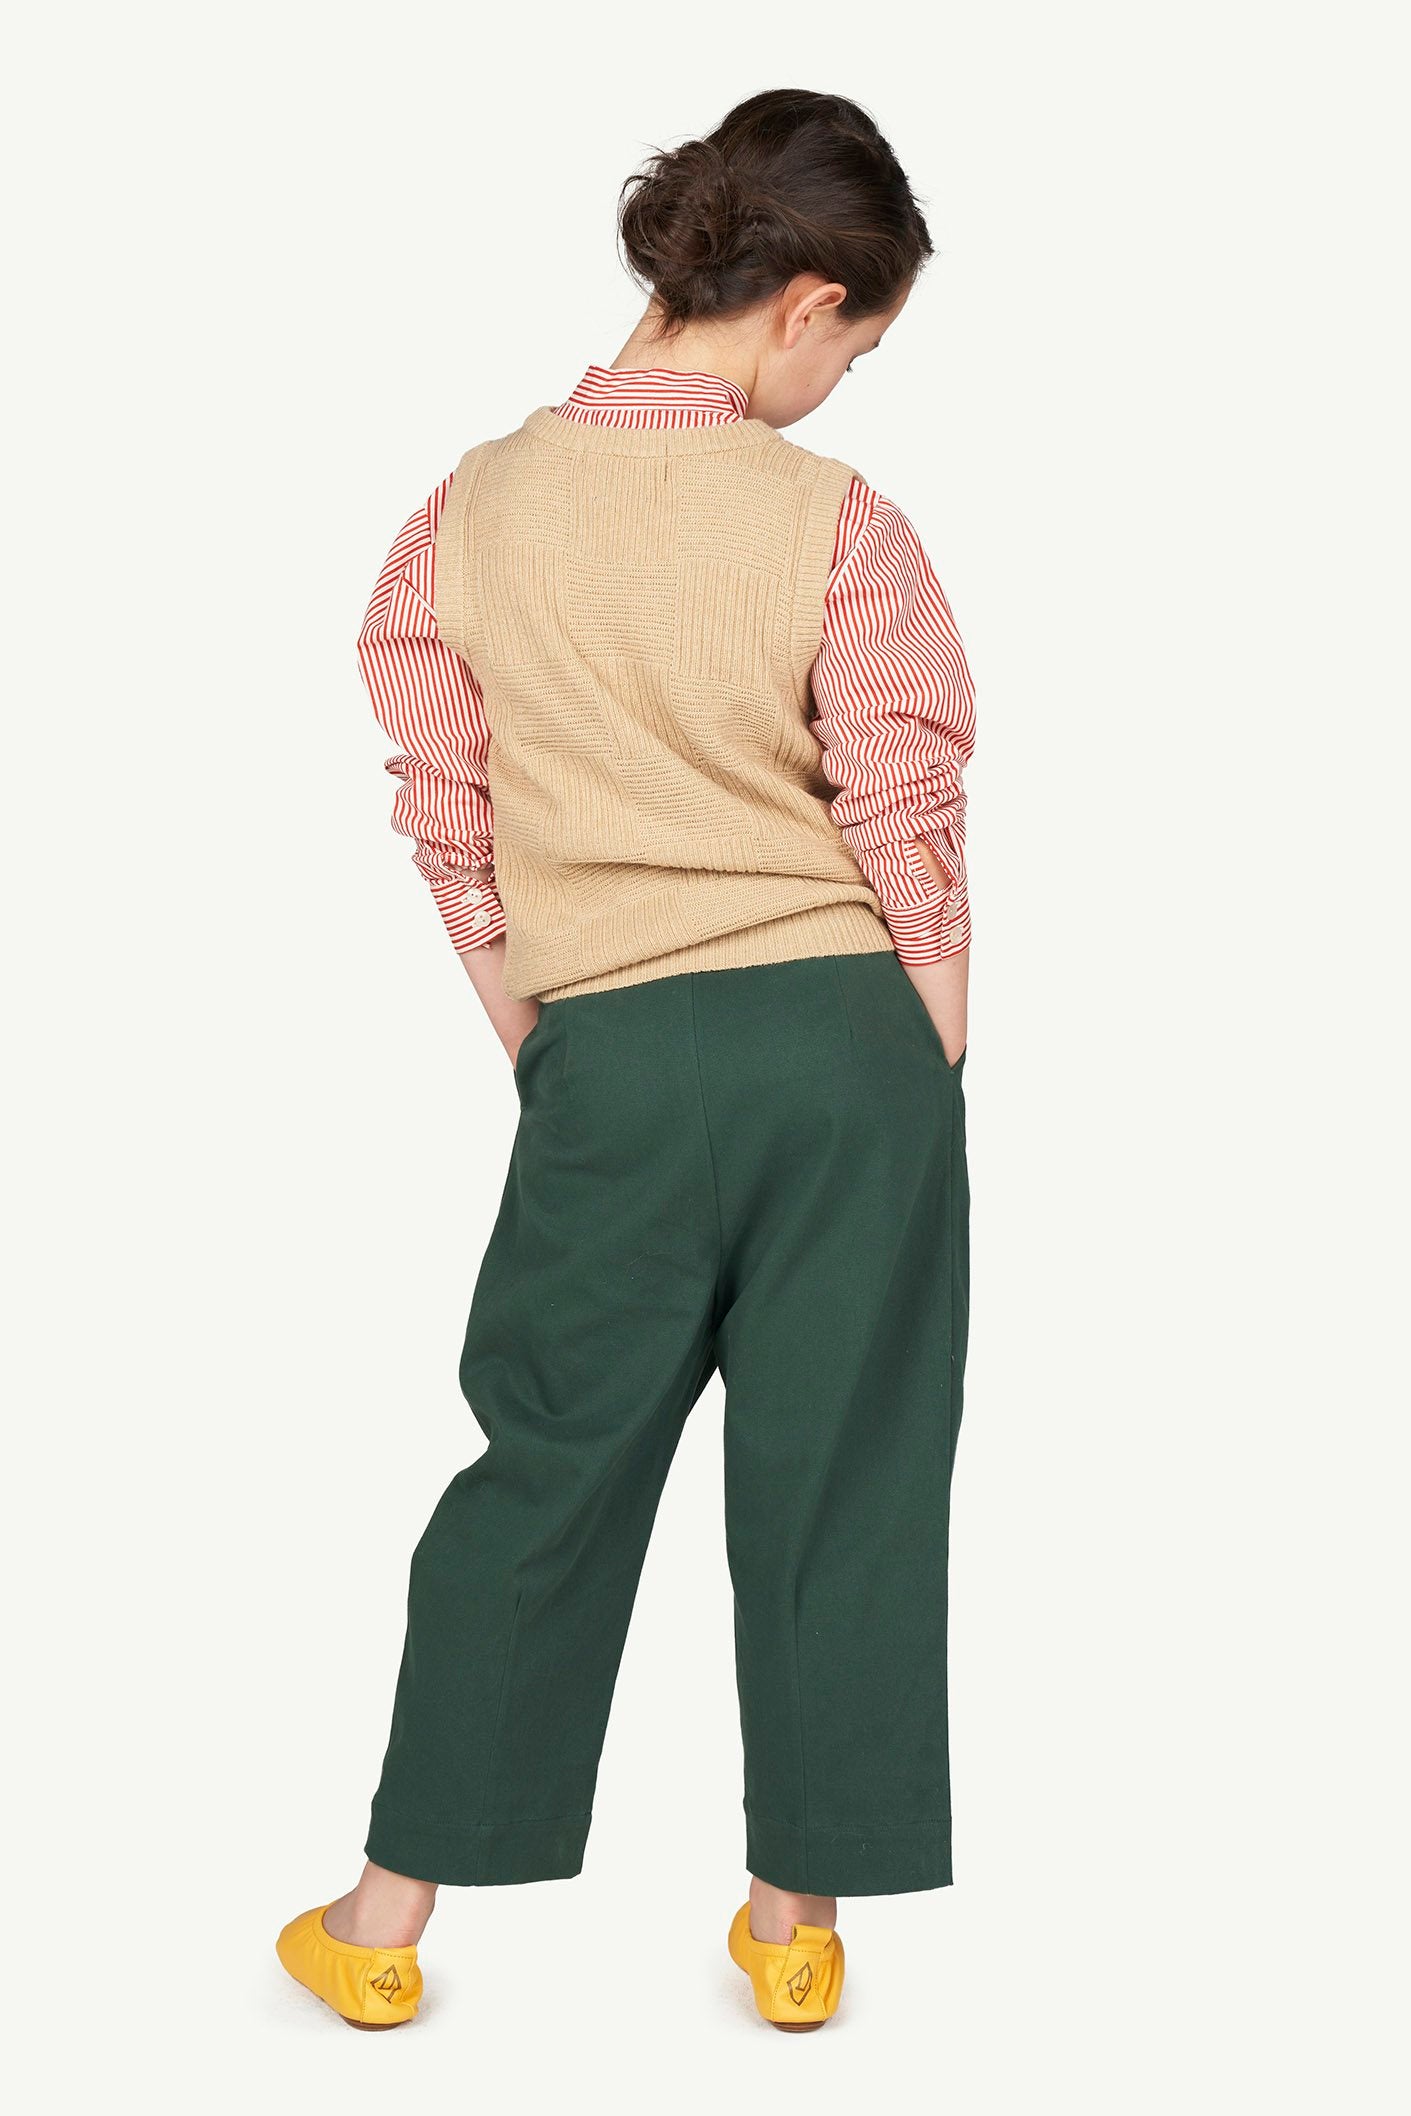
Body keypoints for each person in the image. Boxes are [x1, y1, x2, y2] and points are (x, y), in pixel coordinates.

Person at [277, 86, 976, 2035]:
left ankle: (381, 1922)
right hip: (847, 1047)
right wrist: (924, 1048)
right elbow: (905, 798)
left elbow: (450, 815)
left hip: (611, 1054)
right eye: (857, 351)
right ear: (808, 304)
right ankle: (792, 1921)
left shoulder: (465, 515)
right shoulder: (838, 521)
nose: (840, 389)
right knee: (846, 1480)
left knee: (546, 1462)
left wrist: (550, 1036)